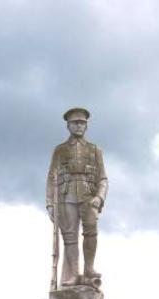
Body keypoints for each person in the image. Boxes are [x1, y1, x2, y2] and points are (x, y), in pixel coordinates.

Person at [46, 108, 108, 287]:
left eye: (82, 123)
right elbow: (51, 177)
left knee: (91, 233)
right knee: (69, 236)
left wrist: (100, 197)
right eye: (75, 123)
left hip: (89, 196)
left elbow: (103, 178)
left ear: (86, 126)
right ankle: (72, 274)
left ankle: (89, 269)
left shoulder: (95, 150)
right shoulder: (60, 150)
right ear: (68, 126)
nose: (79, 126)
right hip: (66, 195)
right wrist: (50, 204)